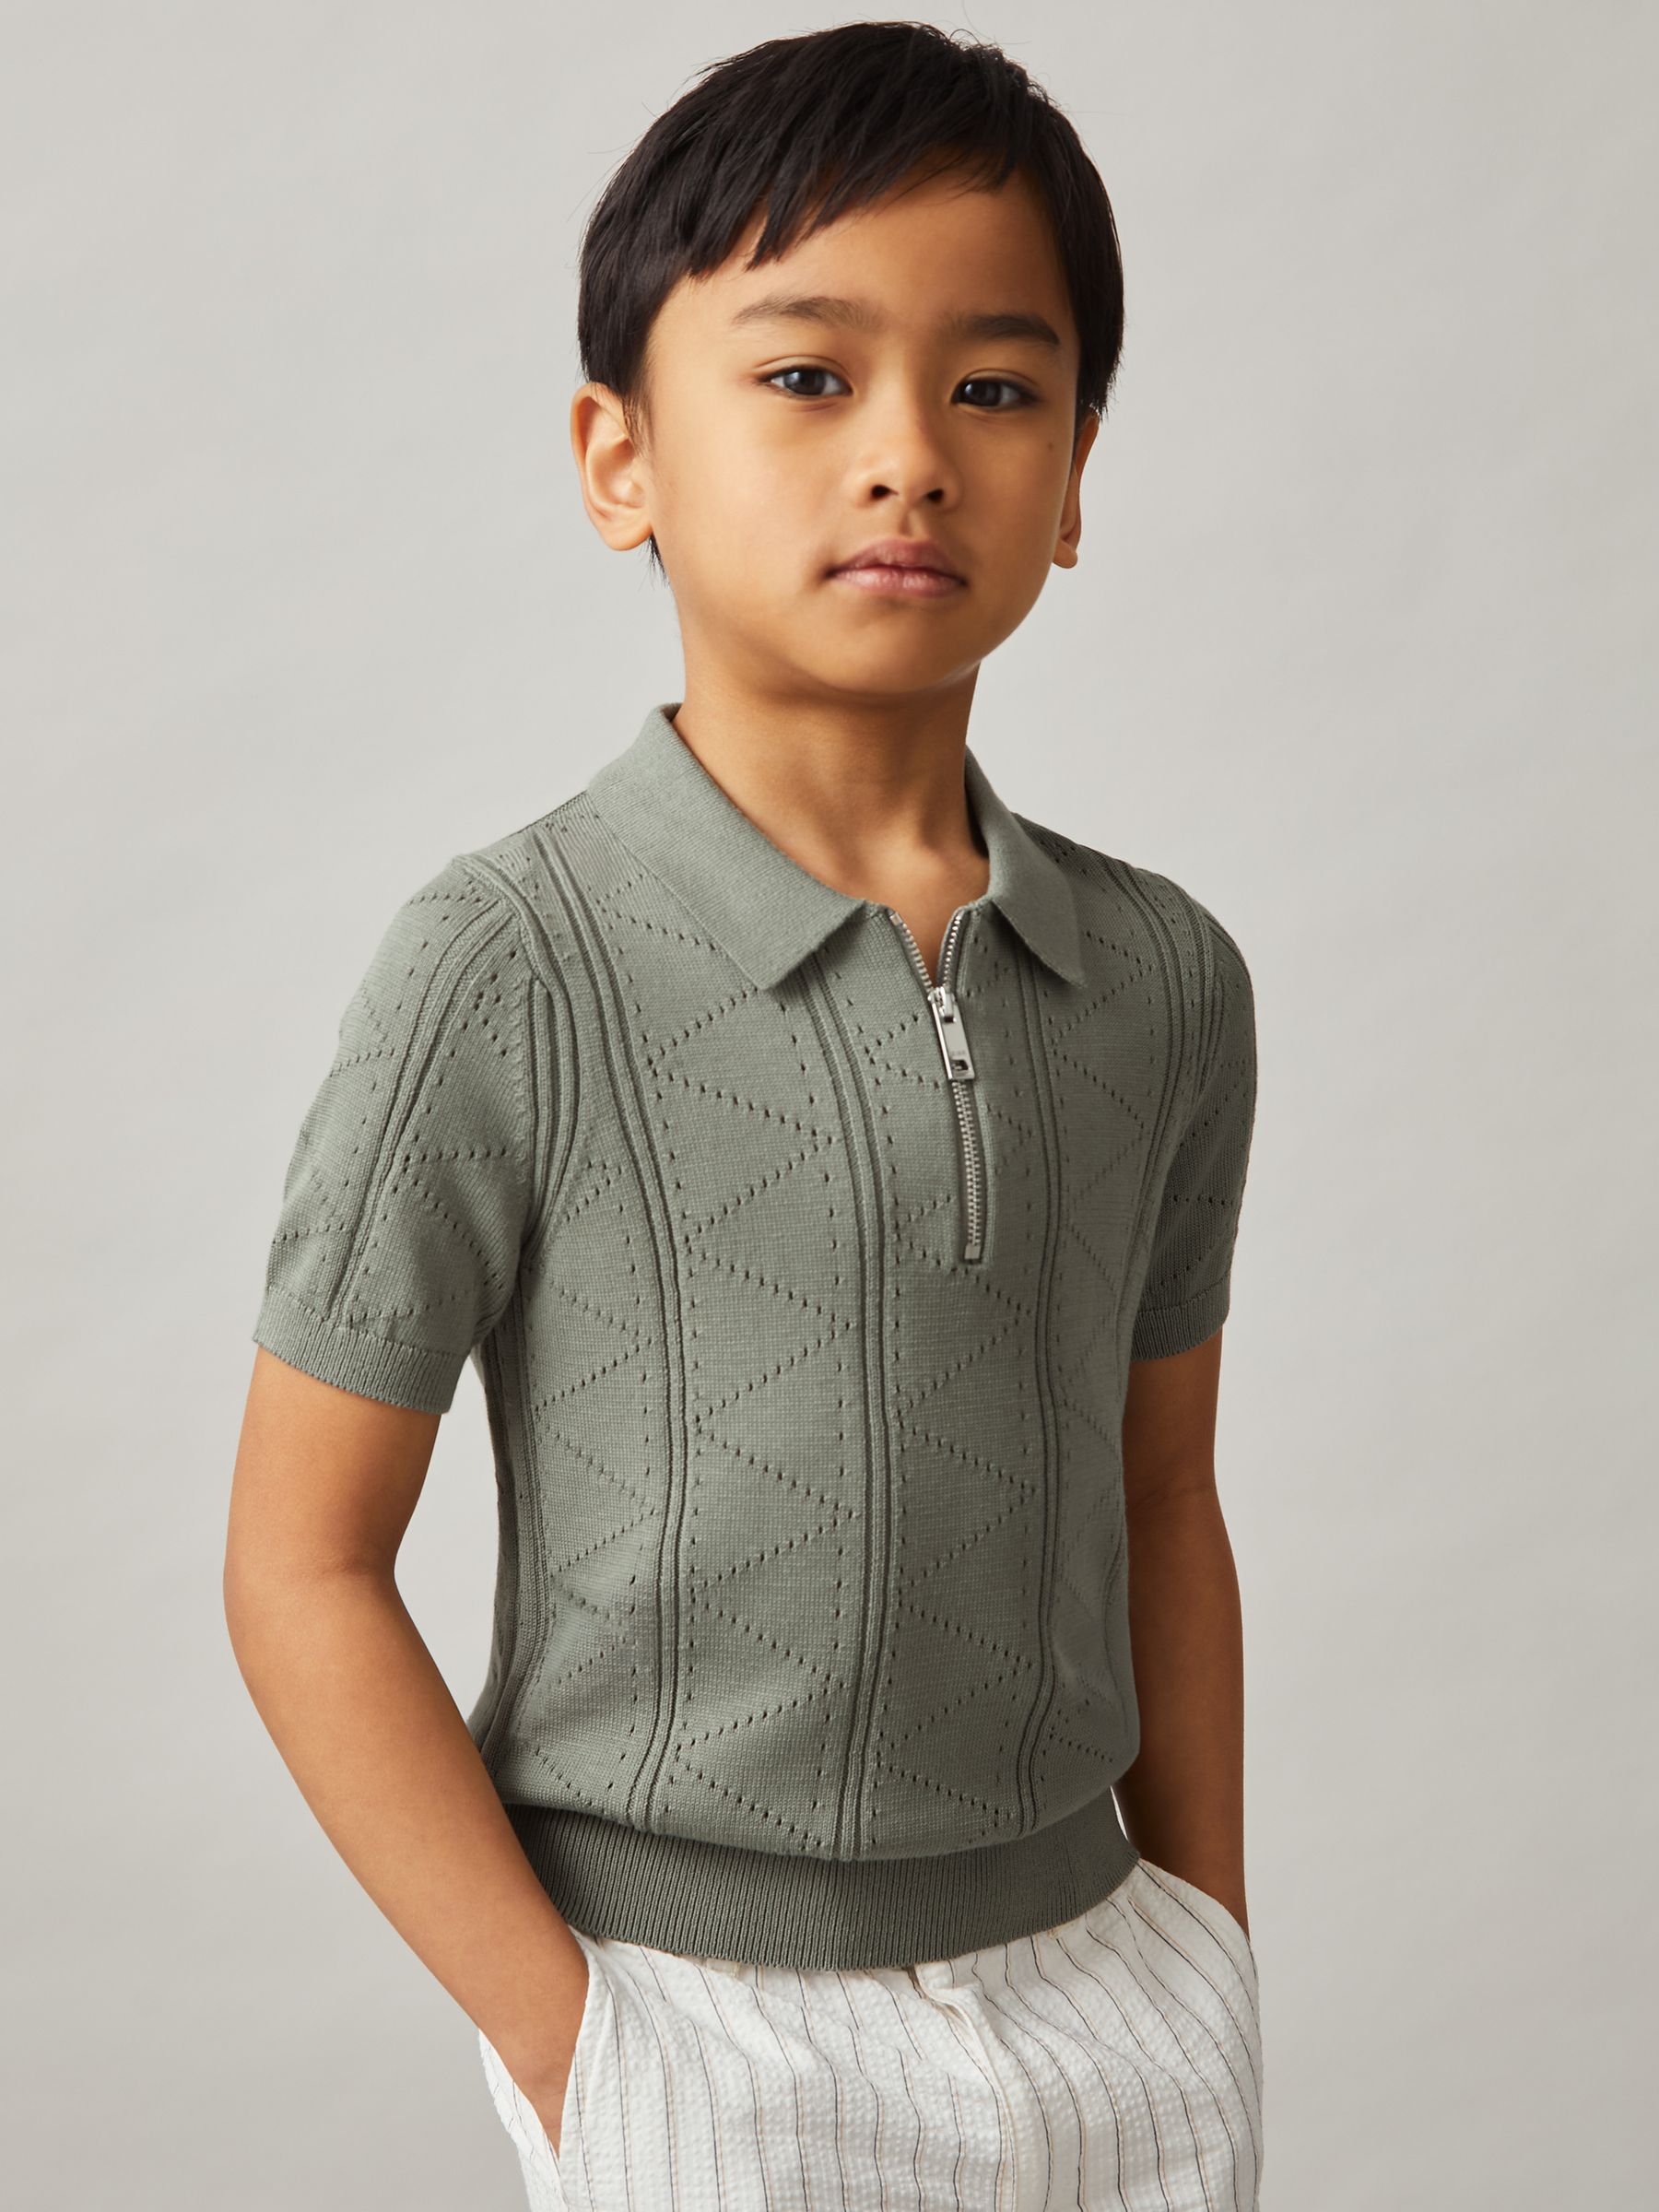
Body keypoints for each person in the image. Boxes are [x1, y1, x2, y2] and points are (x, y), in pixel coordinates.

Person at [226, 21, 1264, 2209]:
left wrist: (1208, 1956)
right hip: (695, 2026)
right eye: (807, 375)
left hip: (1113, 1999)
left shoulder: (1166, 980)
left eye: (996, 389)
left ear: (1079, 475)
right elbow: (297, 1562)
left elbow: (1164, 1493)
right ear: (620, 459)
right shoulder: (510, 965)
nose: (909, 456)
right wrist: (577, 2037)